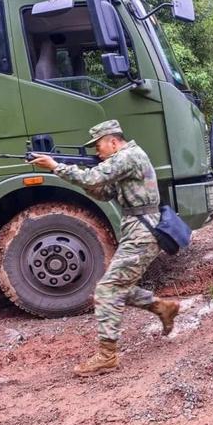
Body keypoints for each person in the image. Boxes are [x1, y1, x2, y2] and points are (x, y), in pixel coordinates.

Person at [30, 120, 180, 377]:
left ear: (113, 141)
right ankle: (161, 307)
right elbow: (105, 192)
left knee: (108, 288)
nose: (97, 151)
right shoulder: (126, 159)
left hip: (143, 231)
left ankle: (107, 356)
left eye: (98, 146)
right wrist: (85, 179)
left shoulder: (128, 155)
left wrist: (56, 167)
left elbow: (93, 177)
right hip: (139, 229)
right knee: (116, 285)